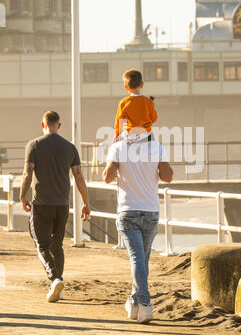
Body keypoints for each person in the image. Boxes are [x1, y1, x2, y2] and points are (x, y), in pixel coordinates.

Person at [103, 131, 173, 324]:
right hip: (151, 211)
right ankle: (134, 304)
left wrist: (115, 163)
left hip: (128, 211)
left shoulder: (118, 147)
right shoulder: (157, 147)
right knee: (142, 260)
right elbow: (168, 177)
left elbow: (107, 178)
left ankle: (144, 303)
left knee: (138, 259)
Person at [20, 111, 90, 302]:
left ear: (42, 123)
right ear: (59, 126)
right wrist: (86, 202)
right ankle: (57, 287)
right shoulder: (70, 147)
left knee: (41, 245)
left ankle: (55, 279)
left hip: (42, 204)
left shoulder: (34, 145)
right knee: (57, 247)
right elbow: (79, 176)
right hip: (62, 205)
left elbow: (27, 174)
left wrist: (22, 196)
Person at [114, 69, 158, 140]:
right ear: (142, 85)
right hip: (146, 135)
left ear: (126, 87)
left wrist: (117, 136)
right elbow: (154, 119)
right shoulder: (148, 102)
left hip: (130, 136)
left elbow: (120, 122)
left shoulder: (124, 102)